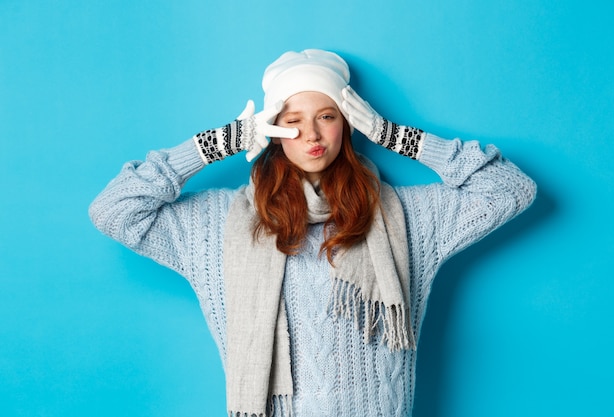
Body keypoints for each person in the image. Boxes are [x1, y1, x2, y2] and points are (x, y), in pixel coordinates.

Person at [89, 49, 536, 417]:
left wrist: (396, 136)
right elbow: (115, 211)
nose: (311, 134)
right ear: (273, 130)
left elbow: (510, 190)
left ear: (348, 122)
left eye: (327, 116)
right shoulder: (217, 225)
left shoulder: (405, 218)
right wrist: (218, 143)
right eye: (292, 120)